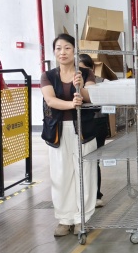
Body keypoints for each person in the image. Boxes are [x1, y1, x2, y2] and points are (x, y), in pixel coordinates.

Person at [40, 34, 98, 237]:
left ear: (75, 51)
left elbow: (91, 97)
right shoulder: (48, 75)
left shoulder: (86, 73)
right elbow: (50, 100)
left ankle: (83, 218)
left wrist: (80, 87)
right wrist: (71, 104)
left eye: (67, 48)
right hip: (57, 131)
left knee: (85, 172)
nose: (62, 52)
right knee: (61, 174)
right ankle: (65, 219)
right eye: (58, 48)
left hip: (83, 130)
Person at [79, 54, 110, 208]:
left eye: (84, 69)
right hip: (79, 124)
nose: (81, 72)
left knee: (94, 160)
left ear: (91, 69)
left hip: (97, 124)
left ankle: (96, 194)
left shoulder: (101, 82)